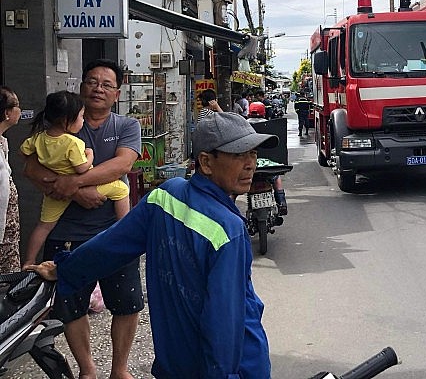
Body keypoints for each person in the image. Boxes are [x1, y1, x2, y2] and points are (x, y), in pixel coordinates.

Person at [26, 112, 276, 379]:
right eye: (238, 155)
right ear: (206, 162)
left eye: (252, 153)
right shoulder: (228, 229)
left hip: (177, 362)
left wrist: (65, 269)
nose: (251, 164)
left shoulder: (164, 196)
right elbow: (224, 323)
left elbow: (110, 245)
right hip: (236, 367)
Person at [24, 59, 142, 379]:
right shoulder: (59, 124)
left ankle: (120, 369)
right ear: (81, 86)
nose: (98, 88)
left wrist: (73, 184)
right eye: (92, 81)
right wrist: (78, 194)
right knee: (71, 305)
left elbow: (122, 166)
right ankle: (87, 370)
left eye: (106, 84)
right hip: (67, 231)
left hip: (115, 233)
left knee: (127, 304)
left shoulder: (126, 126)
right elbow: (32, 169)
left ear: (117, 93)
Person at [21, 90, 130, 267]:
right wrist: (90, 154)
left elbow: (24, 153)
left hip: (55, 193)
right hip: (87, 186)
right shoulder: (73, 143)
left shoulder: (38, 138)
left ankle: (29, 260)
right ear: (66, 121)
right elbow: (82, 167)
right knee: (121, 189)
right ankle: (126, 231)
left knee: (43, 226)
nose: (83, 120)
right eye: (80, 117)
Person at [0, 86, 21, 273]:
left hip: (8, 234)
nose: (20, 111)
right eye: (17, 106)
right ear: (7, 113)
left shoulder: (2, 141)